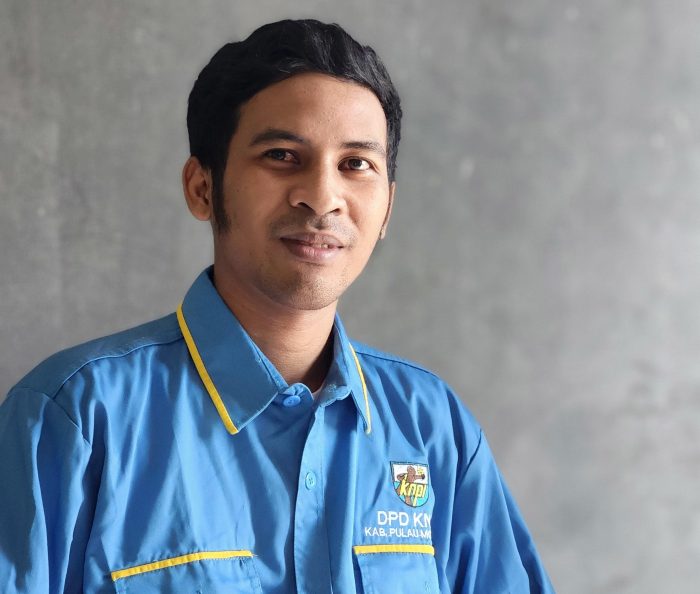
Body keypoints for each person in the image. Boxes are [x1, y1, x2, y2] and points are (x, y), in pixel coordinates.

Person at [0, 19, 555, 594]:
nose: (322, 197)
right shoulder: (73, 420)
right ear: (202, 188)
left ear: (387, 208)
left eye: (356, 164)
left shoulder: (434, 427)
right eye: (282, 155)